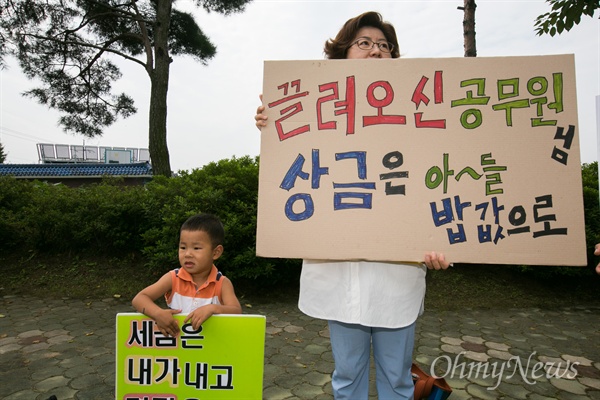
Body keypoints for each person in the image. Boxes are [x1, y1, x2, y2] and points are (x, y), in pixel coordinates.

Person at [255, 11, 451, 400]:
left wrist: (444, 240)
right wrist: (272, 124)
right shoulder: (314, 113)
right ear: (342, 54)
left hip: (398, 273)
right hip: (338, 271)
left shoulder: (421, 116)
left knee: (397, 379)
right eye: (364, 43)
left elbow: (440, 180)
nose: (376, 51)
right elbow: (294, 174)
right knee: (347, 377)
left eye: (384, 45)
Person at [132, 213, 242, 337]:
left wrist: (213, 308)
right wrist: (157, 313)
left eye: (196, 248)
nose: (188, 254)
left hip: (210, 350)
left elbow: (236, 311)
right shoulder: (173, 278)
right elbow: (139, 299)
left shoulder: (222, 283)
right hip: (179, 349)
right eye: (183, 247)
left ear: (216, 252)